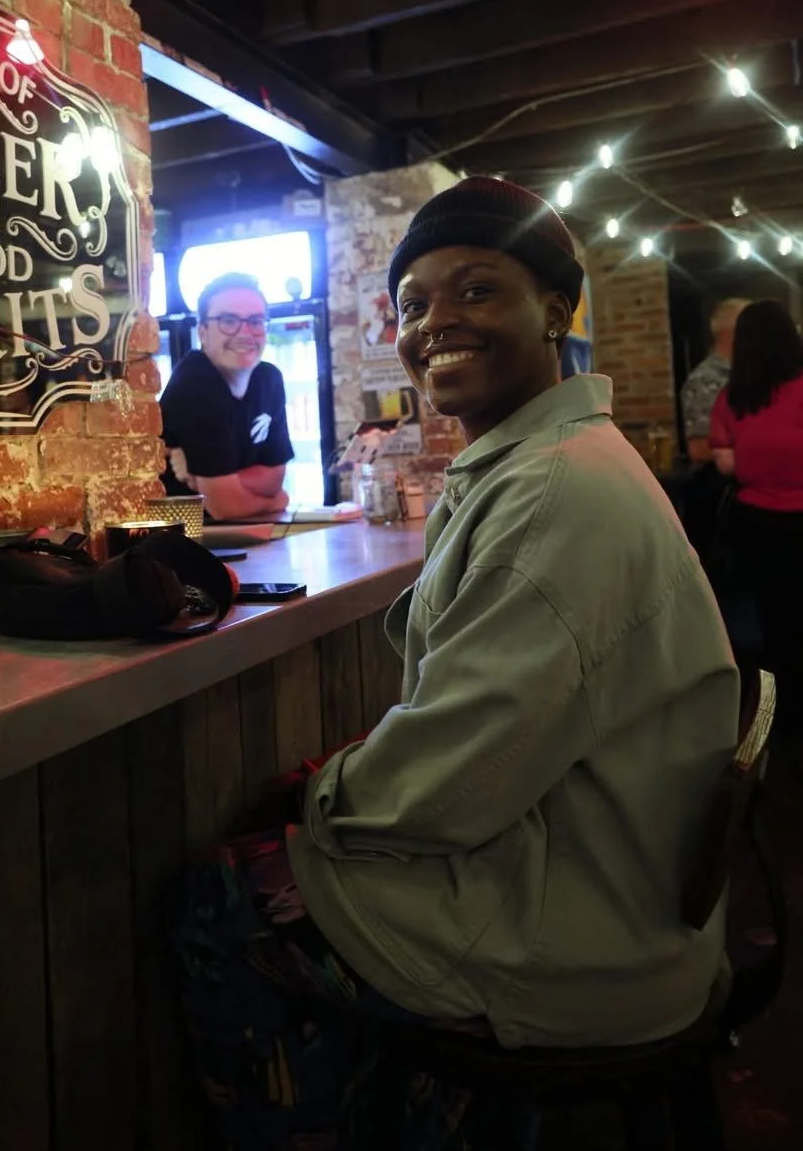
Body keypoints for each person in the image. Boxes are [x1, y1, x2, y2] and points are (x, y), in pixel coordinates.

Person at [168, 179, 739, 1150]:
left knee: (225, 894)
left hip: (584, 934)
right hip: (613, 877)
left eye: (476, 291)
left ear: (555, 310)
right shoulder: (550, 460)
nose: (436, 323)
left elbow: (451, 786)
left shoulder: (551, 493)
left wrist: (311, 796)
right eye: (414, 303)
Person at [710, 299, 803, 732]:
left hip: (757, 524)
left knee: (772, 621)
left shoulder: (731, 401)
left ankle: (776, 716)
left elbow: (726, 466)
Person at [159, 272, 293, 522]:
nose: (245, 333)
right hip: (183, 542)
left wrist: (207, 482)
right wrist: (276, 502)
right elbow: (225, 507)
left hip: (242, 536)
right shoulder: (195, 380)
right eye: (228, 321)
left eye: (255, 320)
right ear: (203, 332)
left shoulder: (269, 379)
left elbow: (275, 478)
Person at [681, 298, 749, 462]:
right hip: (726, 483)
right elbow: (700, 448)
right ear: (733, 333)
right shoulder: (704, 380)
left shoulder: (751, 374)